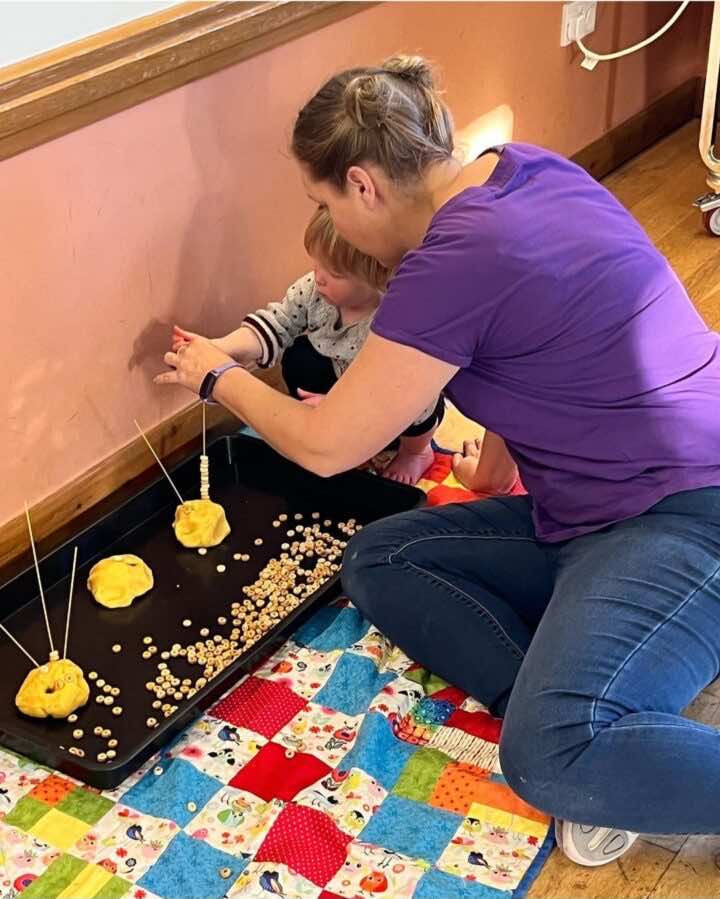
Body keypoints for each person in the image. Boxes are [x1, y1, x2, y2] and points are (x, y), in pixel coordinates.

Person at [156, 55, 720, 864]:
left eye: (324, 205)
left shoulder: (453, 260)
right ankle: (591, 698)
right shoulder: (524, 170)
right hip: (594, 509)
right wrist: (492, 472)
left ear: (363, 185)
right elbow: (541, 359)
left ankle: (591, 726)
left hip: (686, 509)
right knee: (385, 555)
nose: (332, 227)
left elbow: (328, 444)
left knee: (549, 751)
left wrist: (219, 378)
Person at [173, 207, 444, 484]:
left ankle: (417, 453)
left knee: (421, 405)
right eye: (316, 265)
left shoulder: (391, 318)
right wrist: (219, 348)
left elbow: (400, 396)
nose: (319, 277)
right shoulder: (313, 291)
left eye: (335, 273)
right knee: (299, 357)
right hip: (338, 384)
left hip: (388, 402)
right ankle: (336, 437)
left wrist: (342, 409)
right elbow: (276, 324)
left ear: (377, 274)